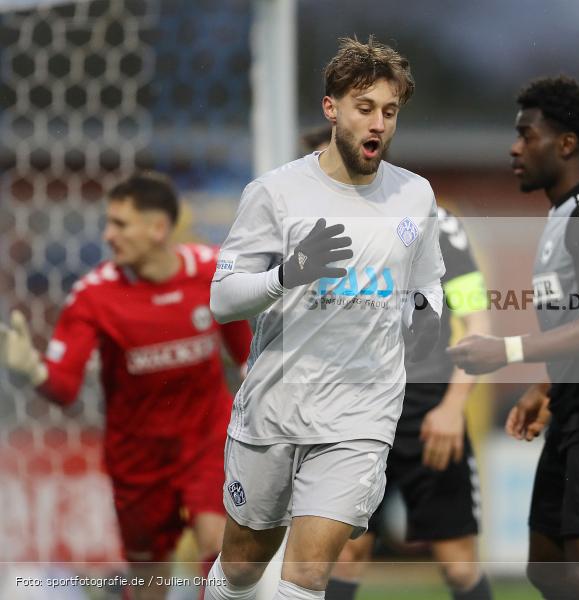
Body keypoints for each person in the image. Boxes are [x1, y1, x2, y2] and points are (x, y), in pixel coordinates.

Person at [204, 36, 445, 600]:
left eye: (390, 112)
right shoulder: (275, 193)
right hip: (276, 404)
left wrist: (425, 319)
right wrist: (288, 274)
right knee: (242, 567)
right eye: (366, 108)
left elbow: (427, 282)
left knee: (308, 574)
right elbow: (223, 299)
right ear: (331, 108)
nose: (379, 124)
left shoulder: (415, 195)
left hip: (361, 414)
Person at [448, 76, 579, 600]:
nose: (515, 148)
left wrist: (507, 351)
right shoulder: (560, 217)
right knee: (548, 570)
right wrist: (546, 387)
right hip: (574, 411)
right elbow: (576, 325)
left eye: (527, 135)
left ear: (566, 144)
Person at [0, 171, 252, 600]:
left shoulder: (211, 271)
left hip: (206, 439)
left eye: (120, 224)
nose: (108, 235)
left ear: (157, 228)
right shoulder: (93, 296)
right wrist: (34, 373)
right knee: (150, 581)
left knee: (219, 545)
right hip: (137, 458)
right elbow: (65, 385)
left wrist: (257, 380)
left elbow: (242, 347)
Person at [327, 205, 493, 600]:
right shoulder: (331, 217)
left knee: (458, 564)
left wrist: (452, 407)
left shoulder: (438, 224)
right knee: (345, 554)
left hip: (427, 410)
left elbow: (477, 322)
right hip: (356, 410)